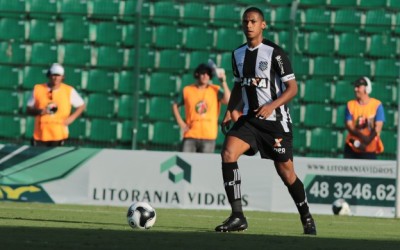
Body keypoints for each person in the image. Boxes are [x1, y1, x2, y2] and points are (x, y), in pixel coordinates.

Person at [215, 7, 316, 235]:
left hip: (275, 122)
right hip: (250, 119)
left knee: (286, 173)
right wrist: (230, 110)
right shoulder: (238, 54)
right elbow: (239, 85)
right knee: (228, 153)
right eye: (245, 22)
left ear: (263, 25)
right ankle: (237, 216)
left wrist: (271, 105)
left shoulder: (275, 53)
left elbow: (292, 88)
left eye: (253, 21)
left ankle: (306, 217)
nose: (248, 25)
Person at [172, 62, 232, 153]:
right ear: (197, 74)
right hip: (191, 135)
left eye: (208, 74)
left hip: (209, 135)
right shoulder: (187, 90)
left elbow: (228, 100)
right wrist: (180, 122)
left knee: (204, 166)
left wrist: (223, 81)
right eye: (203, 73)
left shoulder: (215, 89)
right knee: (186, 163)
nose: (205, 76)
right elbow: (175, 104)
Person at [26, 63, 86, 147]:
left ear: (62, 77)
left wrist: (71, 118)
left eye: (58, 75)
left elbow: (81, 105)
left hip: (59, 134)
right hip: (41, 134)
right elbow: (28, 109)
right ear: (49, 75)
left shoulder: (68, 91)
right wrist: (40, 111)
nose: (56, 78)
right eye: (54, 75)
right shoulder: (38, 89)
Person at [344, 76, 385, 159]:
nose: (355, 89)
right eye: (355, 87)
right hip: (352, 147)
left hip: (369, 149)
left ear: (367, 89)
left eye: (358, 87)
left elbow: (378, 127)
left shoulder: (377, 105)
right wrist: (363, 138)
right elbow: (349, 126)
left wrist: (366, 143)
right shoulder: (350, 105)